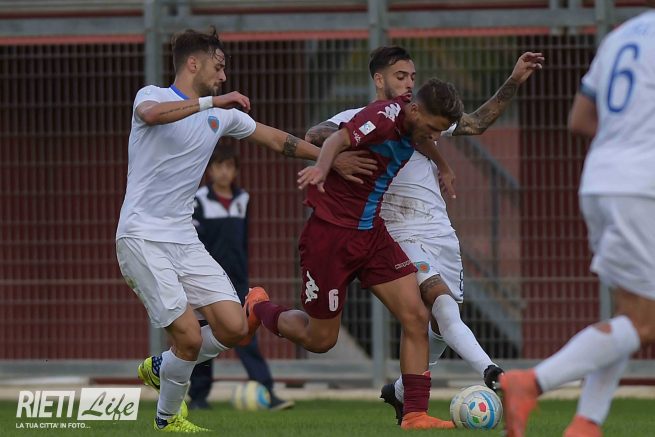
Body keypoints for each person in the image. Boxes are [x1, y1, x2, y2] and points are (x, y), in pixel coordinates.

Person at [115, 27, 366, 433]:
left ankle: (163, 367)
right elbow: (151, 116)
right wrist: (213, 101)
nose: (223, 76)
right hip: (141, 237)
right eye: (218, 67)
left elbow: (277, 139)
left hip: (183, 239)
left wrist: (328, 159)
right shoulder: (152, 95)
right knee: (189, 338)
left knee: (233, 328)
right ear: (193, 64)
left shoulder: (223, 116)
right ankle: (167, 419)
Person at [305, 46, 544, 425]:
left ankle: (403, 392)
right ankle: (494, 375)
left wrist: (513, 80)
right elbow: (316, 135)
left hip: (439, 231)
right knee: (439, 307)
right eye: (400, 76)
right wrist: (336, 160)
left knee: (436, 327)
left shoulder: (421, 119)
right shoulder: (359, 119)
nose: (408, 83)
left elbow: (475, 124)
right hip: (398, 232)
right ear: (379, 79)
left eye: (412, 77)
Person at [244, 78, 464, 430]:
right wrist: (323, 167)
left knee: (415, 315)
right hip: (329, 238)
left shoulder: (416, 121)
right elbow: (336, 139)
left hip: (372, 235)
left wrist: (445, 165)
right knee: (320, 340)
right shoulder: (382, 117)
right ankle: (258, 307)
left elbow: (423, 137)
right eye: (434, 128)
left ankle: (415, 414)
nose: (436, 136)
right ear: (415, 111)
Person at [500, 4, 655, 437]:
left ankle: (587, 422)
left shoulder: (621, 36)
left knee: (631, 316)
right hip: (641, 188)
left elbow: (580, 119)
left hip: (602, 180)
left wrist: (625, 145)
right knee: (645, 322)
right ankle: (531, 382)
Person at [188, 144, 294, 411]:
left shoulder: (242, 199)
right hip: (205, 280)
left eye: (229, 166)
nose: (223, 172)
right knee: (203, 335)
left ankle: (266, 391)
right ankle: (198, 397)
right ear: (209, 170)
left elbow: (243, 241)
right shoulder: (198, 199)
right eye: (218, 166)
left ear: (235, 171)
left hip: (237, 281)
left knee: (246, 334)